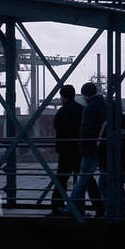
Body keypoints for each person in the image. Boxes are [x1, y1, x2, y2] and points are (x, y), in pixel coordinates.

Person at [67, 81, 107, 216]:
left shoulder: (89, 108)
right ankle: (103, 208)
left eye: (83, 95)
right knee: (103, 179)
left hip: (90, 148)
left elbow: (86, 129)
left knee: (82, 179)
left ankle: (71, 208)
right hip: (103, 147)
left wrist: (81, 145)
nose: (83, 98)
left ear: (87, 94)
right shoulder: (104, 106)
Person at [49, 84, 83, 214]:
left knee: (61, 179)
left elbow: (57, 126)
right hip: (79, 149)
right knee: (86, 178)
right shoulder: (81, 109)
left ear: (63, 97)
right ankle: (96, 207)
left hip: (65, 150)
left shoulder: (62, 111)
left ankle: (57, 205)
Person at [97, 112, 125, 212]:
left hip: (107, 162)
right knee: (119, 187)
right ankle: (121, 211)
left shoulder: (107, 124)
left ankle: (109, 210)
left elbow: (100, 143)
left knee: (103, 185)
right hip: (123, 162)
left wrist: (100, 161)